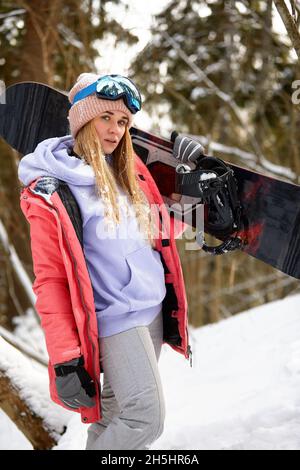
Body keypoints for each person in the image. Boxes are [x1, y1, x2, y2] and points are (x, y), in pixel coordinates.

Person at [18, 72, 192, 450]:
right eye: (106, 118)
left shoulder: (127, 171)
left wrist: (197, 199)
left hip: (152, 313)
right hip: (115, 319)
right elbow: (51, 281)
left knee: (115, 419)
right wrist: (66, 358)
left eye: (123, 122)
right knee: (145, 418)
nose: (115, 130)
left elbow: (152, 231)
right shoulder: (51, 190)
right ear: (83, 119)